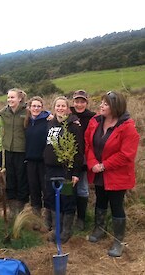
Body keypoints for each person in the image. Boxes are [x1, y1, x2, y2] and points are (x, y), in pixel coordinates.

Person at [85, 91, 139, 257]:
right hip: (98, 171)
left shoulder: (127, 127)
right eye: (101, 102)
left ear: (115, 107)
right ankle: (99, 229)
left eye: (105, 104)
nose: (101, 106)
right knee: (100, 200)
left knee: (116, 205)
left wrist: (104, 165)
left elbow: (126, 155)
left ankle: (118, 241)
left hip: (117, 174)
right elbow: (88, 143)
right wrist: (93, 163)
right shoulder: (95, 121)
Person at [44, 96, 84, 243]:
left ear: (67, 108)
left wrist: (75, 173)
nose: (60, 108)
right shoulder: (50, 123)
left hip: (66, 170)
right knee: (52, 197)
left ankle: (66, 230)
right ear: (54, 107)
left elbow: (79, 151)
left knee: (67, 198)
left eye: (63, 106)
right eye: (57, 106)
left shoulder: (74, 126)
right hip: (50, 169)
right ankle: (56, 229)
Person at [0, 88, 28, 217]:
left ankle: (21, 202)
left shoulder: (27, 111)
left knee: (21, 175)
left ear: (19, 98)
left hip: (21, 149)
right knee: (10, 175)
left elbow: (40, 113)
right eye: (8, 97)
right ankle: (11, 201)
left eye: (12, 97)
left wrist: (49, 115)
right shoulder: (4, 112)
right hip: (8, 148)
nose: (10, 100)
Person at [70, 90, 96, 231]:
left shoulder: (92, 117)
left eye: (82, 101)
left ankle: (81, 218)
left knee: (83, 188)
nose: (79, 104)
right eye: (77, 101)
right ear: (73, 102)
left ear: (86, 102)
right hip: (68, 156)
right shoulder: (68, 114)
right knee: (69, 187)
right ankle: (69, 216)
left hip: (84, 157)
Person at [24, 96, 51, 229]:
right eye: (33, 106)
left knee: (46, 190)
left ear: (42, 108)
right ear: (29, 107)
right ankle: (36, 219)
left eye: (38, 106)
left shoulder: (48, 120)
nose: (36, 108)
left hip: (44, 162)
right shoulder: (26, 121)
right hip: (30, 161)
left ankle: (47, 220)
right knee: (34, 190)